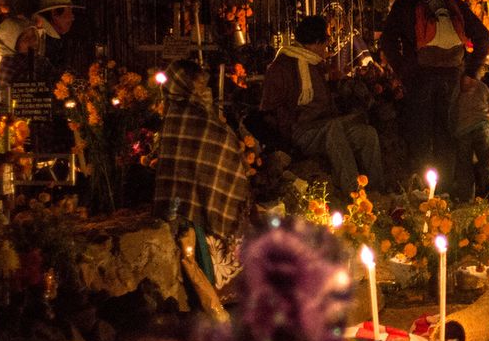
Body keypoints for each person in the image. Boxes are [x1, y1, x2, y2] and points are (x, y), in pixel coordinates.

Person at [380, 0, 489, 190]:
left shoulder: (405, 4)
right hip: (452, 77)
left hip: (418, 76)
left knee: (419, 132)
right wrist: (470, 71)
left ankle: (422, 188)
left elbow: (387, 41)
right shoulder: (451, 2)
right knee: (447, 132)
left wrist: (402, 69)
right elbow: (483, 36)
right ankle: (445, 188)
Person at [260, 15, 383, 194]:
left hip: (325, 126)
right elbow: (270, 109)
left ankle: (378, 193)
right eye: (326, 40)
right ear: (316, 42)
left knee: (367, 134)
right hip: (302, 131)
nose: (328, 45)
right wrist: (293, 126)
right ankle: (355, 195)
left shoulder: (315, 64)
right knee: (333, 129)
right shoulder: (282, 67)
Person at [153, 59, 250, 239]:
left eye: (203, 84)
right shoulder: (184, 115)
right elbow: (221, 143)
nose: (202, 90)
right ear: (184, 85)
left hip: (187, 200)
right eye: (198, 85)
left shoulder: (175, 112)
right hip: (184, 203)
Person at [451, 72, 489, 202]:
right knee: (484, 165)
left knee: (465, 167)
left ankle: (466, 199)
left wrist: (453, 129)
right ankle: (485, 197)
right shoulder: (482, 87)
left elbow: (452, 109)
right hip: (480, 128)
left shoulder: (458, 88)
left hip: (464, 130)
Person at [0, 17, 55, 88]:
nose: (34, 41)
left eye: (34, 35)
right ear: (12, 43)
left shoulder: (38, 60)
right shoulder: (9, 66)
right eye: (26, 38)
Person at [33, 0, 81, 72]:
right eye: (69, 11)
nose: (72, 17)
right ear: (55, 13)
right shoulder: (42, 41)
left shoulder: (60, 40)